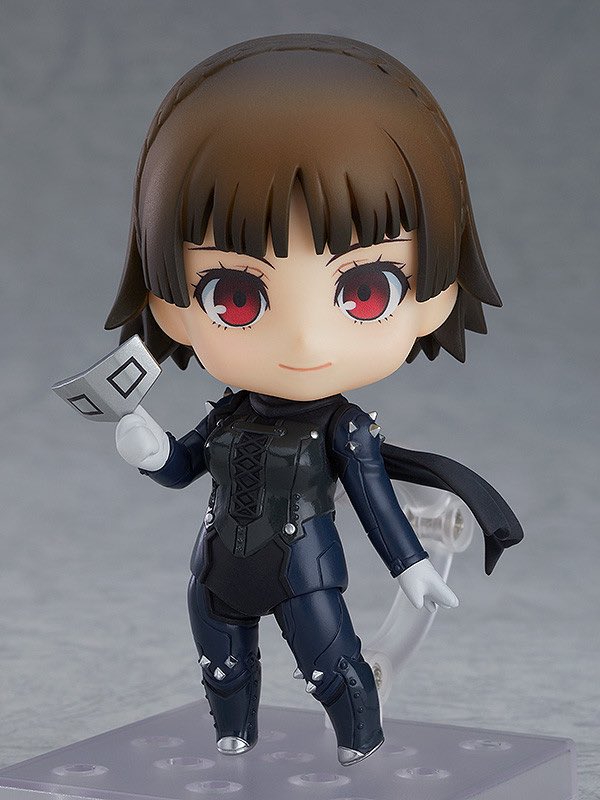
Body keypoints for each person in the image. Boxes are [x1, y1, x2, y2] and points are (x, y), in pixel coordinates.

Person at [106, 34, 522, 766]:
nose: (303, 337)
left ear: (435, 293)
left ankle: (359, 741)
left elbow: (375, 502)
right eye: (236, 297)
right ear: (171, 304)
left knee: (333, 668)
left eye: (363, 292)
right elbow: (184, 467)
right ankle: (233, 733)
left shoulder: (347, 428)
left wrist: (412, 566)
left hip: (304, 572)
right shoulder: (230, 410)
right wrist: (149, 449)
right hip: (216, 568)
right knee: (222, 666)